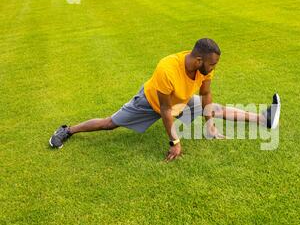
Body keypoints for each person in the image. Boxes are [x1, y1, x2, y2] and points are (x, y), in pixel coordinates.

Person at [49, 38, 281, 161]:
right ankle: (68, 130)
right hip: (149, 103)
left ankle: (264, 119)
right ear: (198, 59)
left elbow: (206, 95)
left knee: (215, 108)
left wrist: (210, 126)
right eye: (211, 64)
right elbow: (165, 111)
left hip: (181, 99)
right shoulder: (167, 69)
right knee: (110, 123)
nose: (213, 68)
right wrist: (175, 143)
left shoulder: (204, 69)